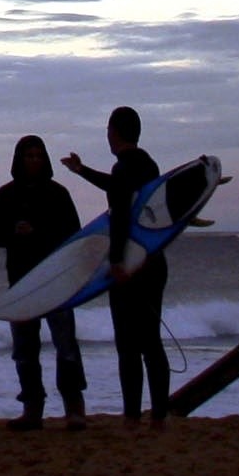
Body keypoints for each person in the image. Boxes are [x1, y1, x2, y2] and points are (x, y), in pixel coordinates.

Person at [62, 107, 172, 424]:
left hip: (131, 264)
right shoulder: (147, 165)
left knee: (128, 343)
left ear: (114, 131)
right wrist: (82, 170)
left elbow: (121, 212)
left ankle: (133, 416)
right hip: (153, 261)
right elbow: (117, 188)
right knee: (151, 340)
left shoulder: (125, 168)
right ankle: (159, 416)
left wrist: (117, 262)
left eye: (108, 130)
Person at [0, 135, 89, 431]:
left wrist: (40, 232)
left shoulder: (58, 193)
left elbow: (74, 235)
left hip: (56, 279)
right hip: (21, 281)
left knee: (65, 344)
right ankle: (32, 408)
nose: (33, 160)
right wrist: (14, 231)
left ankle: (74, 407)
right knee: (25, 348)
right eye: (28, 155)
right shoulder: (6, 195)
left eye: (38, 155)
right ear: (19, 159)